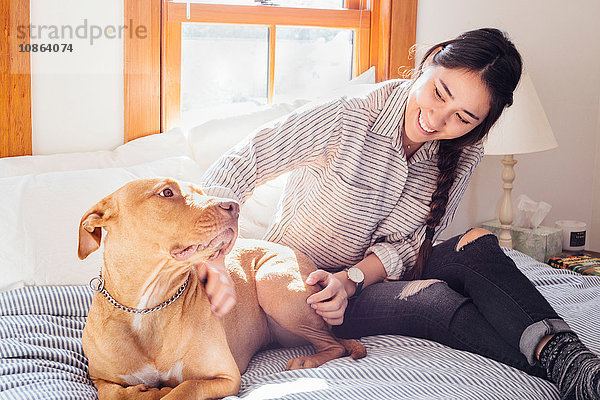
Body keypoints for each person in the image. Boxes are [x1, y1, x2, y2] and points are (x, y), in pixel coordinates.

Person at [197, 28, 600, 400]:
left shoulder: (465, 151)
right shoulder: (348, 117)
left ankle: (575, 365)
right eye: (440, 93)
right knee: (435, 300)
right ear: (431, 60)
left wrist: (353, 278)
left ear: (481, 124)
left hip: (367, 279)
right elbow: (237, 165)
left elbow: (413, 246)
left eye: (464, 117)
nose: (439, 120)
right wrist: (214, 258)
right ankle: (566, 370)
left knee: (478, 242)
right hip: (308, 293)